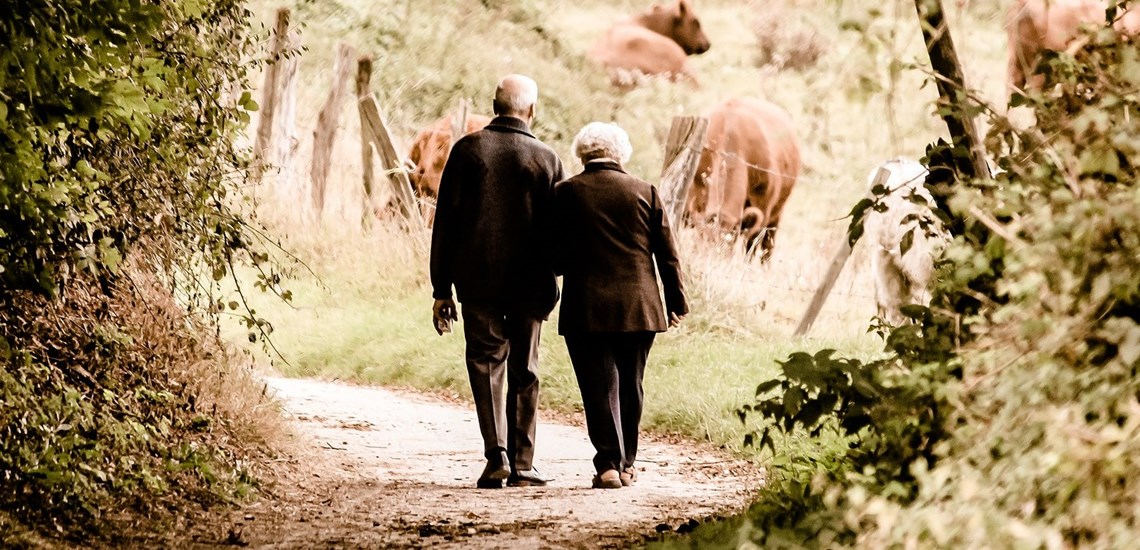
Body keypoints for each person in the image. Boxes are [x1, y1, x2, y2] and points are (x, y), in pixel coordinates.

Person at [429, 74, 566, 489]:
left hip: (478, 280)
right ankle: (524, 464)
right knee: (525, 367)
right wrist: (556, 274)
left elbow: (445, 225)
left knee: (486, 364)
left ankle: (497, 456)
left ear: (494, 105)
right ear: (532, 110)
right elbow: (558, 231)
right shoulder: (547, 158)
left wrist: (441, 289)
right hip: (531, 283)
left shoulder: (468, 151)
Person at [549, 122, 688, 489]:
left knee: (598, 386)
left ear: (582, 153)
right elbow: (667, 255)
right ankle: (626, 464)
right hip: (640, 305)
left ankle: (608, 464)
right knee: (632, 383)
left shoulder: (566, 193)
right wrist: (676, 302)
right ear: (621, 153)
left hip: (586, 307)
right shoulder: (646, 191)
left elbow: (555, 257)